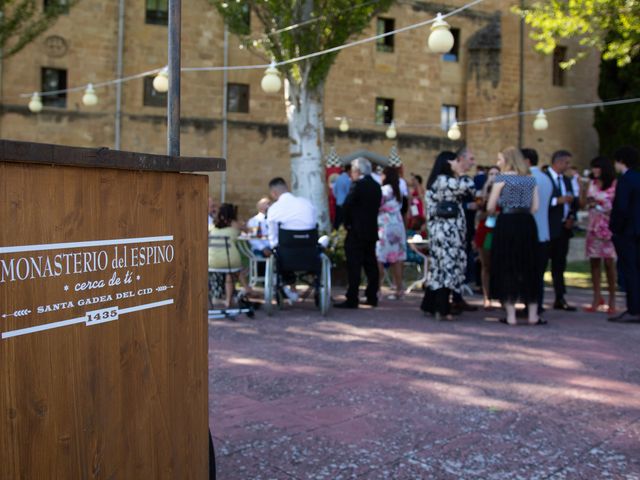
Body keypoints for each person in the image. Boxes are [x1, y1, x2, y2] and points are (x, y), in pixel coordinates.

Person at [487, 147, 541, 326]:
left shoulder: (502, 178)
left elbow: (490, 205)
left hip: (507, 223)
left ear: (508, 160)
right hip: (526, 223)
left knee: (508, 265)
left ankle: (511, 315)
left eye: (500, 159)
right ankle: (533, 314)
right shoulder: (530, 180)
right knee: (529, 265)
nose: (498, 162)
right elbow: (535, 207)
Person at [420, 151, 475, 320]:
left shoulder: (437, 181)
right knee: (447, 269)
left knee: (440, 268)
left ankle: (431, 304)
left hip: (442, 232)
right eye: (456, 161)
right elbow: (469, 187)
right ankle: (441, 308)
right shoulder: (445, 181)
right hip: (448, 233)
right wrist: (461, 172)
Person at [335, 158, 383, 309]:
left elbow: (347, 205)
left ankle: (352, 297)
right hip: (371, 230)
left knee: (354, 265)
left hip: (356, 231)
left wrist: (343, 223)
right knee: (371, 264)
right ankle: (372, 295)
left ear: (357, 171)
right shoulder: (376, 186)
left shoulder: (357, 185)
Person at [264, 177, 317, 301]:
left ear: (274, 193)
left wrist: (274, 248)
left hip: (286, 256)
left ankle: (287, 287)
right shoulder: (307, 203)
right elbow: (314, 224)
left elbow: (272, 235)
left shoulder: (275, 209)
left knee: (277, 253)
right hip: (309, 252)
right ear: (287, 188)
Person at [580, 156, 618, 313]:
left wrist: (600, 205)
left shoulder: (615, 185)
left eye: (597, 167)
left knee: (609, 263)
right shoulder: (591, 184)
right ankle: (597, 297)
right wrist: (583, 191)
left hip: (608, 227)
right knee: (594, 262)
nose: (595, 171)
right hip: (593, 227)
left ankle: (612, 299)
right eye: (593, 168)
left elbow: (615, 206)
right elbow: (582, 204)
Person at [608, 146, 640, 323]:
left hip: (627, 233)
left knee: (629, 270)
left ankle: (633, 309)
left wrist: (615, 228)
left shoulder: (625, 180)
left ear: (620, 161)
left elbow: (621, 208)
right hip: (637, 230)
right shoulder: (638, 178)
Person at [522, 148, 553, 318]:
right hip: (544, 232)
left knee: (528, 273)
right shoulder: (546, 178)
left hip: (529, 232)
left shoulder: (526, 179)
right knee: (538, 274)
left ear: (526, 161)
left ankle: (530, 305)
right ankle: (537, 304)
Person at [546, 150, 579, 311]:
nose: (567, 167)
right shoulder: (545, 178)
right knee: (543, 263)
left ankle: (560, 297)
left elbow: (573, 201)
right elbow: (541, 200)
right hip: (548, 227)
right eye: (566, 163)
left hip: (563, 228)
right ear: (557, 162)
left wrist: (571, 217)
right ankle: (536, 299)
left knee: (560, 264)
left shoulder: (567, 180)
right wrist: (556, 201)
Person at [451, 146, 479, 314]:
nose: (473, 162)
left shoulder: (467, 180)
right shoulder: (454, 180)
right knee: (456, 262)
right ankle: (453, 297)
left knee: (463, 262)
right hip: (454, 228)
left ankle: (458, 296)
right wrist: (469, 205)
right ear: (460, 159)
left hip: (466, 226)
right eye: (471, 159)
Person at [208, 203, 252, 308]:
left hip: (211, 262)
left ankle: (242, 291)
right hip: (230, 261)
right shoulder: (234, 225)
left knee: (230, 271)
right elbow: (248, 230)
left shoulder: (212, 227)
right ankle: (235, 296)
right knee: (232, 270)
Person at [376, 166, 407, 300]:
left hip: (385, 224)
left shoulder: (384, 191)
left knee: (380, 258)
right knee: (397, 258)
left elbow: (377, 205)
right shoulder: (398, 190)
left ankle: (377, 289)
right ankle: (399, 289)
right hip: (398, 224)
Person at [473, 166, 500, 309]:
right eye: (491, 174)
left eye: (497, 173)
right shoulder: (482, 195)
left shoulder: (505, 192)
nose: (494, 176)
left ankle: (501, 295)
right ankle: (486, 296)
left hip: (501, 232)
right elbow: (478, 215)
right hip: (487, 232)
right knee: (486, 265)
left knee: (501, 265)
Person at [332, 165, 352, 229]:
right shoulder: (347, 180)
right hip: (345, 204)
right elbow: (349, 192)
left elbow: (334, 190)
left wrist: (338, 198)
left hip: (338, 203)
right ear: (349, 171)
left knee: (337, 221)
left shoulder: (338, 178)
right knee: (344, 222)